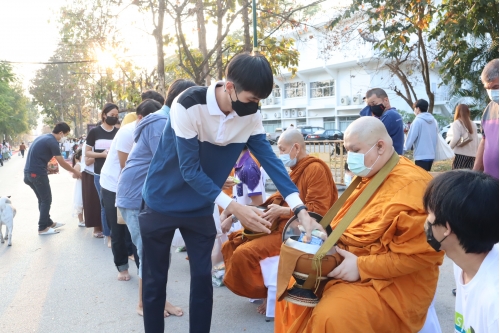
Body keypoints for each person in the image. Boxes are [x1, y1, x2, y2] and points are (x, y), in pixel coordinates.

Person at [139, 52, 321, 333]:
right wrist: (234, 207)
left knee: (202, 278)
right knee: (154, 282)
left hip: (200, 205)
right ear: (230, 87)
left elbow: (272, 162)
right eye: (251, 99)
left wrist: (300, 208)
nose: (254, 107)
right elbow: (190, 170)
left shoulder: (251, 116)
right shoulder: (188, 104)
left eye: (259, 101)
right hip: (161, 201)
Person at [275, 116, 444, 333]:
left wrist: (360, 267)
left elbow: (422, 255)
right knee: (291, 286)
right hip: (345, 262)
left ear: (380, 146)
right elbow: (352, 225)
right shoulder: (370, 175)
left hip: (390, 282)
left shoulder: (415, 187)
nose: (349, 158)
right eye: (347, 150)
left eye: (354, 150)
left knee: (332, 316)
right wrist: (325, 235)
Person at [221, 129, 338, 318]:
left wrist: (284, 211)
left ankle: (268, 293)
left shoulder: (315, 169)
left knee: (245, 253)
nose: (280, 155)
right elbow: (276, 200)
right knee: (233, 242)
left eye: (282, 150)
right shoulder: (295, 171)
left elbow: (319, 211)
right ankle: (263, 290)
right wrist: (235, 215)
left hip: (297, 233)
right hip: (280, 226)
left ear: (296, 147)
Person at [117, 81, 195, 317]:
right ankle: (144, 304)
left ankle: (158, 300)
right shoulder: (162, 122)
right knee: (149, 252)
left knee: (158, 252)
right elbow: (173, 162)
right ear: (183, 100)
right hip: (135, 196)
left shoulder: (166, 120)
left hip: (145, 195)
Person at [423, 170, 498, 333]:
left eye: (429, 214)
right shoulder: (465, 263)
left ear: (447, 228)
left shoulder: (494, 302)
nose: (425, 222)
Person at [23, 122, 82, 235]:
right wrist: (75, 171)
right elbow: (62, 162)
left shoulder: (43, 137)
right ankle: (42, 228)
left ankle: (48, 222)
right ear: (60, 133)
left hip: (28, 174)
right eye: (65, 135)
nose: (64, 138)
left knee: (42, 199)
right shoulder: (52, 141)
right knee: (46, 200)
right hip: (38, 174)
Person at [85, 104, 119, 244]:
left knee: (118, 205)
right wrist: (102, 154)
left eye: (116, 115)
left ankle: (119, 235)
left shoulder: (118, 132)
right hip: (100, 174)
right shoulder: (95, 132)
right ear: (104, 115)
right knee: (106, 206)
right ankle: (109, 236)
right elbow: (87, 152)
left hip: (117, 174)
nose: (114, 117)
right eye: (112, 115)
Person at [473, 58, 499, 179]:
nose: (492, 92)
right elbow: (484, 141)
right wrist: (474, 175)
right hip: (491, 185)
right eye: (487, 88)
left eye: (495, 87)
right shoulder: (489, 109)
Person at [365, 88, 404, 154]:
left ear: (386, 100)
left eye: (374, 104)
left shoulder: (389, 115)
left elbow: (371, 137)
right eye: (370, 106)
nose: (372, 108)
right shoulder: (394, 114)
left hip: (390, 160)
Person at [403, 99, 437, 171]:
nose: (414, 110)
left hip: (421, 156)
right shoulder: (433, 121)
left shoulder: (417, 121)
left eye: (414, 108)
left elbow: (410, 138)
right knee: (426, 178)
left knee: (421, 179)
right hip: (431, 155)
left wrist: (403, 151)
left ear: (418, 109)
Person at [449, 104, 480, 169]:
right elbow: (476, 140)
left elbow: (456, 138)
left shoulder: (457, 123)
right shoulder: (473, 124)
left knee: (457, 176)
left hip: (460, 155)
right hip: (472, 155)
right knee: (468, 177)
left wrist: (449, 148)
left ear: (457, 112)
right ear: (468, 112)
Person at [72, 149, 85, 227]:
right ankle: (81, 220)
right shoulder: (78, 165)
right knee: (80, 202)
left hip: (85, 185)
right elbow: (74, 175)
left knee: (85, 202)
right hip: (80, 185)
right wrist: (80, 175)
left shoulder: (86, 164)